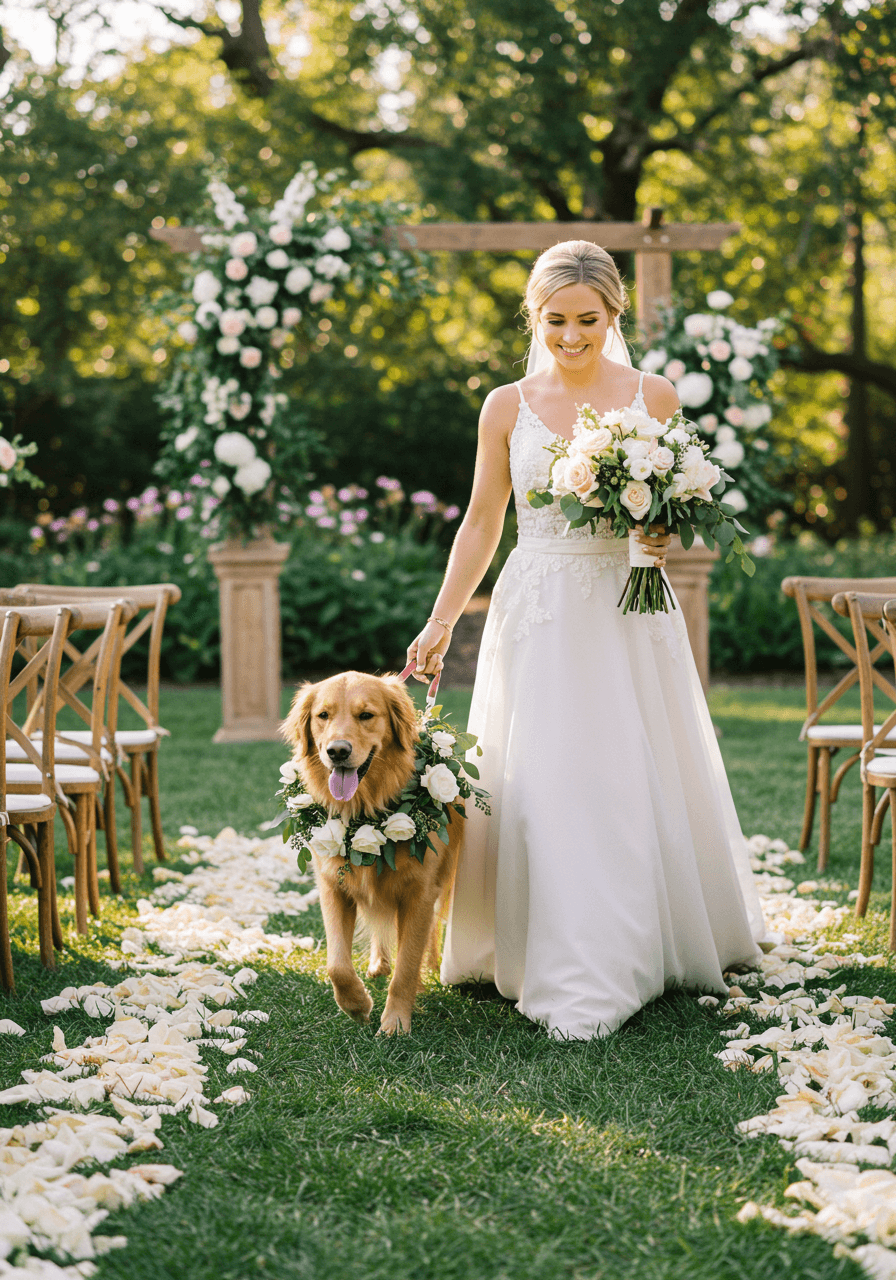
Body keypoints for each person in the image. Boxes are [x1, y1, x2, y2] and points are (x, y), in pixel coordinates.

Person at [406, 240, 765, 1040]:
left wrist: (661, 531)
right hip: (538, 606)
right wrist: (439, 622)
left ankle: (626, 947)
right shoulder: (506, 404)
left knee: (627, 766)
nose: (572, 336)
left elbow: (671, 502)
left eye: (588, 321)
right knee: (544, 772)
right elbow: (481, 522)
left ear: (613, 314)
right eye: (556, 320)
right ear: (534, 318)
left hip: (629, 608)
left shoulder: (655, 396)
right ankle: (540, 945)